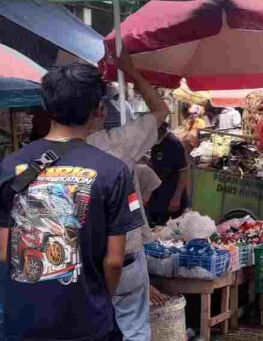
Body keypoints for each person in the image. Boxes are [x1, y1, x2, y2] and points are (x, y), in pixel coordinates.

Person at [0, 63, 144, 341]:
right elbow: (114, 261)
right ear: (100, 111)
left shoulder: (10, 165)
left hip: (22, 322)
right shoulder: (113, 171)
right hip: (87, 323)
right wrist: (98, 301)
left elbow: (5, 252)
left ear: (45, 105)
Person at [87, 49, 170, 341]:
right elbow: (161, 110)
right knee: (133, 330)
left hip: (78, 264)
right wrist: (132, 72)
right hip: (125, 255)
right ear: (99, 112)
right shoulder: (119, 144)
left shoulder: (38, 159)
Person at [148, 122, 191, 226]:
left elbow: (183, 172)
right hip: (158, 192)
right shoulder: (155, 142)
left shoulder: (173, 144)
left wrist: (176, 197)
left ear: (161, 128)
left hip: (171, 193)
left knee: (171, 228)